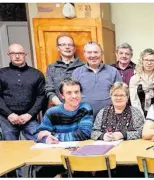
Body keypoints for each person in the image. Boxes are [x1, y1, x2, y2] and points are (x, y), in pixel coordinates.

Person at [0, 43, 45, 178]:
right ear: (9, 55)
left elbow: (41, 96)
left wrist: (29, 114)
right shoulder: (1, 74)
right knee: (11, 152)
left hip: (29, 118)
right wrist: (9, 114)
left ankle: (38, 174)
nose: (17, 56)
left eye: (20, 53)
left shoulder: (36, 74)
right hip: (7, 118)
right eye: (14, 53)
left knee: (41, 143)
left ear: (25, 55)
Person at [33, 77, 93, 177]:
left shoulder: (85, 108)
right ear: (62, 96)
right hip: (56, 155)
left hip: (79, 155)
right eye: (69, 93)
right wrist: (46, 139)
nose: (74, 96)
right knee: (41, 172)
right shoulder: (52, 112)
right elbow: (38, 135)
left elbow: (83, 134)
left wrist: (52, 135)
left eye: (76, 92)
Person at [72, 41, 123, 115]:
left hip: (109, 116)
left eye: (96, 52)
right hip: (84, 116)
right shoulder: (77, 72)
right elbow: (73, 95)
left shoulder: (113, 71)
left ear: (101, 53)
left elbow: (120, 94)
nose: (93, 55)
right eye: (89, 52)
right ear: (84, 54)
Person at [45, 34, 84, 106]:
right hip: (59, 109)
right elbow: (49, 90)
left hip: (80, 109)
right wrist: (61, 106)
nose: (67, 47)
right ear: (58, 48)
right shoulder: (51, 67)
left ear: (74, 48)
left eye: (70, 44)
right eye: (63, 45)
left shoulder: (84, 66)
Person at [129, 48, 154, 115]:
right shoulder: (135, 79)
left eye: (152, 60)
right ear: (142, 61)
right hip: (138, 114)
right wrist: (141, 116)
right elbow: (134, 101)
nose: (149, 63)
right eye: (146, 60)